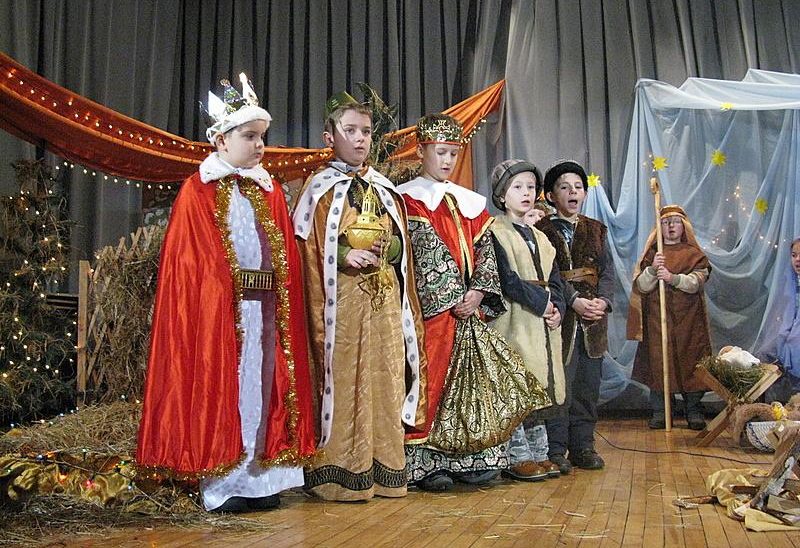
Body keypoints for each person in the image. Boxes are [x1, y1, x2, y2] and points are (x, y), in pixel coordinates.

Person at [136, 75, 316, 513]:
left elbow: (283, 256)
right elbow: (190, 262)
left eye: (262, 137)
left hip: (265, 314)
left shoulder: (269, 190)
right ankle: (223, 482)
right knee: (226, 388)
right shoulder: (198, 191)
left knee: (264, 386)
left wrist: (277, 291)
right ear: (221, 140)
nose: (260, 146)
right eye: (249, 136)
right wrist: (224, 290)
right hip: (221, 315)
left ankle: (263, 479)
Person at [292, 92, 426, 501]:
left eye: (365, 131)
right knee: (346, 379)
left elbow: (401, 248)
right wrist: (343, 253)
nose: (360, 139)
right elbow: (306, 247)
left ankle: (384, 467)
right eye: (350, 130)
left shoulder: (384, 189)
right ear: (329, 137)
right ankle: (339, 473)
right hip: (342, 308)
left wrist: (390, 248)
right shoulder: (319, 189)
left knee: (384, 378)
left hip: (382, 304)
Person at [398, 115, 540, 491]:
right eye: (440, 152)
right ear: (422, 151)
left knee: (472, 385)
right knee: (432, 381)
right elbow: (423, 252)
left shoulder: (470, 203)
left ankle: (469, 457)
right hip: (433, 311)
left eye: (453, 153)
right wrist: (450, 296)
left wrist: (477, 291)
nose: (448, 160)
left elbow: (485, 251)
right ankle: (426, 463)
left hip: (468, 308)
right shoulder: (407, 198)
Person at [489, 160, 566, 481]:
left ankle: (540, 453)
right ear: (501, 195)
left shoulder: (542, 237)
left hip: (543, 323)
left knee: (542, 386)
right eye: (517, 187)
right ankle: (516, 454)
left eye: (531, 187)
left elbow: (555, 278)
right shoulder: (495, 232)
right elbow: (506, 278)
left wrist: (558, 307)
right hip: (516, 319)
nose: (526, 193)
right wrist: (542, 303)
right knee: (519, 385)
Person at [535, 160, 614, 472]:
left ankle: (583, 446)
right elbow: (549, 272)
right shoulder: (542, 231)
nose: (572, 192)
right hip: (561, 318)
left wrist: (603, 302)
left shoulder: (596, 229)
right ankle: (555, 450)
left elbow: (607, 272)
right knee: (560, 385)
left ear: (584, 194)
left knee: (587, 385)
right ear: (551, 195)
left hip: (593, 321)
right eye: (564, 187)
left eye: (578, 187)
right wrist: (573, 301)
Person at [626, 205, 712, 431]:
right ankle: (661, 410)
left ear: (684, 226)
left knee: (691, 361)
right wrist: (653, 270)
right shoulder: (653, 254)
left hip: (688, 320)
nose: (671, 226)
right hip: (658, 319)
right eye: (665, 222)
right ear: (659, 227)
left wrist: (673, 278)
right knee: (658, 361)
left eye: (675, 222)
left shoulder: (694, 254)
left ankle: (693, 410)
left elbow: (696, 283)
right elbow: (642, 286)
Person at [757, 237, 800, 403]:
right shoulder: (789, 281)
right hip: (788, 334)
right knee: (763, 354)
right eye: (794, 255)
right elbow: (782, 316)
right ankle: (767, 409)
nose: (797, 259)